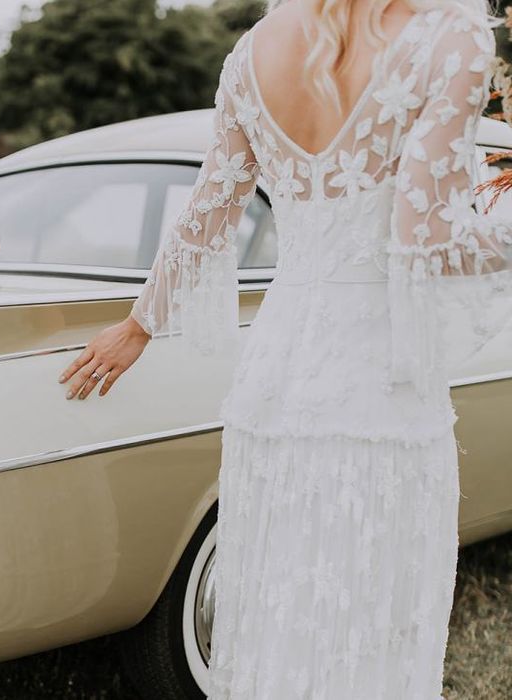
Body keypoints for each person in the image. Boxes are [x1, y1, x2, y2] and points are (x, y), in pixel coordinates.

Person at [58, 0, 512, 697]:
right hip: (379, 389)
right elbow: (427, 239)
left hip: (273, 386)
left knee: (281, 610)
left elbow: (208, 215)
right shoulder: (450, 34)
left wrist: (138, 326)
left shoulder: (254, 53)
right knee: (371, 618)